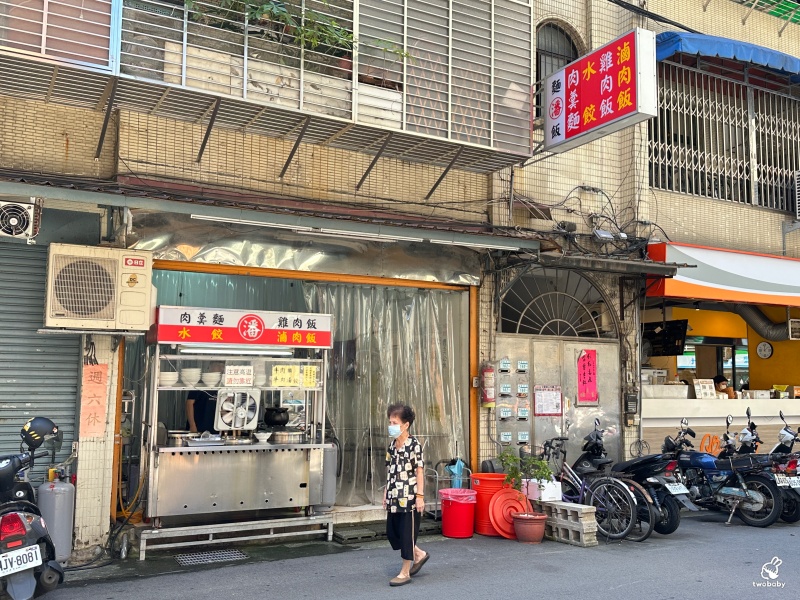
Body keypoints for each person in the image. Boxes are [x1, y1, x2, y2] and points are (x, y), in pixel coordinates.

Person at [383, 403, 428, 587]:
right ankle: (418, 553)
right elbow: (389, 470)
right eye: (390, 421)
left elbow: (419, 471)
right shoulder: (392, 446)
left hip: (409, 497)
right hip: (394, 496)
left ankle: (405, 571)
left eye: (394, 422)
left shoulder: (414, 445)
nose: (391, 425)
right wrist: (386, 492)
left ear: (405, 425)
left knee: (406, 533)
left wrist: (420, 496)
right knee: (393, 533)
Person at [185, 362, 224, 433]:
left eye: (222, 366)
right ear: (210, 367)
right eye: (218, 365)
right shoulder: (200, 383)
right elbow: (189, 404)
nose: (221, 368)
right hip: (198, 429)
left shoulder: (221, 386)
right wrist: (192, 425)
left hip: (215, 430)